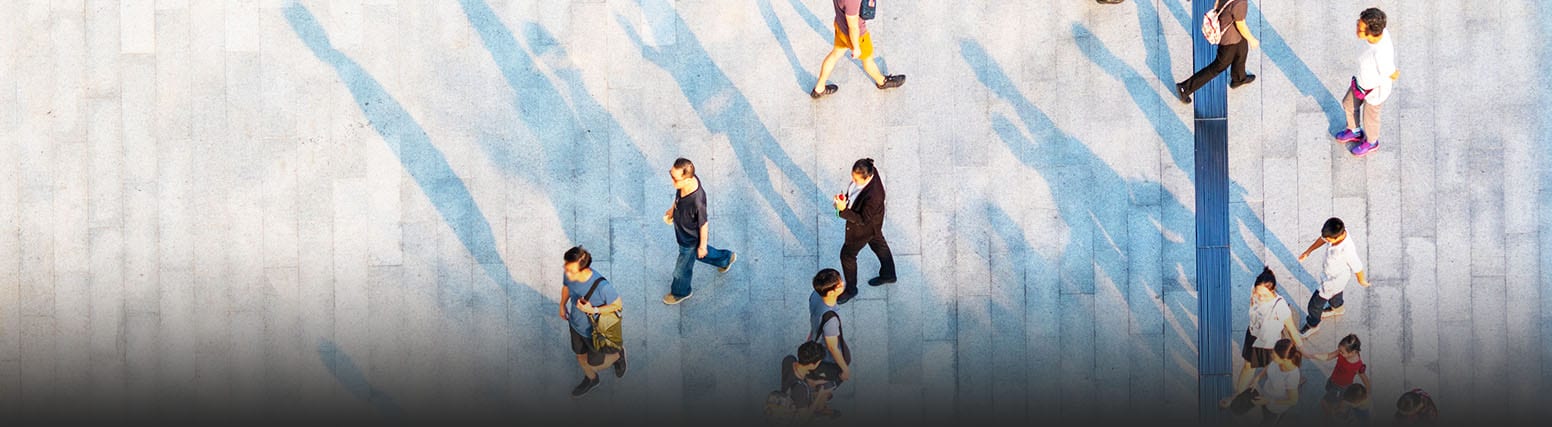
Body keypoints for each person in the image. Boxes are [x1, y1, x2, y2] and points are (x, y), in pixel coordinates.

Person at [1221, 267, 1306, 408]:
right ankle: (1237, 395)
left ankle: (1293, 382)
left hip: (1270, 343)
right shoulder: (1255, 291)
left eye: (1263, 295)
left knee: (1277, 367)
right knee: (1248, 367)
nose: (1259, 298)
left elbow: (1291, 330)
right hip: (1253, 337)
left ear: (1273, 291)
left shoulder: (1280, 306)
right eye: (1257, 293)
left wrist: (1303, 349)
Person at [662, 158, 736, 305]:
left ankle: (681, 292)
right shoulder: (684, 183)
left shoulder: (697, 201)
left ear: (688, 180)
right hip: (684, 232)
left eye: (675, 179)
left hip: (689, 240)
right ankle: (726, 258)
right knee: (700, 255)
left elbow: (703, 225)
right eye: (671, 175)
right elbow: (678, 196)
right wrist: (672, 210)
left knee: (681, 271)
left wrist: (702, 245)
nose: (672, 182)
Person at [558, 246, 625, 398]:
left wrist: (593, 310)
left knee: (596, 363)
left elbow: (617, 305)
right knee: (580, 356)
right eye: (566, 267)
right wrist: (562, 305)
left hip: (594, 332)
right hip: (576, 324)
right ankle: (592, 379)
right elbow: (566, 287)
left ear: (583, 269)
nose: (566, 272)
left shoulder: (602, 287)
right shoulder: (570, 274)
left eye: (570, 270)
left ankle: (618, 355)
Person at [810, 0, 905, 98]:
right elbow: (853, 27)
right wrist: (856, 47)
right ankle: (882, 81)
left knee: (834, 55)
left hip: (840, 27)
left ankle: (819, 88)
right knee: (868, 60)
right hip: (857, 36)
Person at [1335, 8, 1398, 157]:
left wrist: (1392, 73)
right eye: (1358, 23)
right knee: (1348, 104)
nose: (1357, 27)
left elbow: (1389, 72)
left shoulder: (1381, 53)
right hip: (1360, 82)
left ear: (1371, 32)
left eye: (1360, 27)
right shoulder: (1376, 36)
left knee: (1370, 119)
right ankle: (1354, 131)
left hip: (1375, 92)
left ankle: (1371, 142)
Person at [832, 158, 895, 304]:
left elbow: (862, 220)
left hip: (865, 228)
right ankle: (889, 274)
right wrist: (845, 200)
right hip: (874, 224)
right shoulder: (870, 170)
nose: (852, 180)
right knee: (878, 243)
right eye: (852, 176)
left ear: (867, 177)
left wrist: (843, 210)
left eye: (856, 178)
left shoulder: (875, 196)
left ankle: (851, 290)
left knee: (847, 255)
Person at [1175, 0, 1259, 104]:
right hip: (1229, 40)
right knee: (1218, 67)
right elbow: (1241, 25)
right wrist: (1252, 39)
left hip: (1234, 35)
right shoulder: (1240, 3)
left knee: (1241, 52)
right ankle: (1185, 88)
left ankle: (1239, 78)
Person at [1297, 217, 1370, 336]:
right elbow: (1322, 239)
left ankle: (1313, 324)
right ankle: (1337, 308)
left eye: (1328, 239)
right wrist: (1308, 251)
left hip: (1333, 281)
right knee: (1336, 294)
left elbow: (1357, 266)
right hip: (1334, 275)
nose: (1325, 240)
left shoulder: (1347, 250)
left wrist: (1361, 280)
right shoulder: (1340, 232)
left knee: (1314, 305)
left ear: (1337, 237)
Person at [808, 269, 853, 390]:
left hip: (815, 337)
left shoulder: (815, 295)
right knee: (830, 381)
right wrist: (845, 370)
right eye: (839, 284)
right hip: (827, 356)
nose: (843, 283)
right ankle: (820, 396)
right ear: (831, 292)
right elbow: (832, 347)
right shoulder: (831, 321)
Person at [1312, 334, 1372, 423]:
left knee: (1325, 402)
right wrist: (1314, 356)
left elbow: (1365, 380)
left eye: (1342, 352)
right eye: (1339, 350)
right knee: (1330, 393)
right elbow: (1329, 356)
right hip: (1333, 380)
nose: (1339, 353)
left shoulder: (1357, 365)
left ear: (1353, 353)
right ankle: (1336, 408)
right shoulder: (1343, 352)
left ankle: (1331, 415)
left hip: (1341, 387)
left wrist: (1366, 394)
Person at [774, 342, 840, 420]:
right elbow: (803, 419)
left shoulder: (789, 359)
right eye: (819, 362)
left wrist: (814, 383)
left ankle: (819, 405)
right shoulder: (801, 389)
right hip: (795, 411)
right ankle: (819, 410)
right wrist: (819, 395)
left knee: (826, 385)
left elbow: (796, 376)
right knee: (827, 390)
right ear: (812, 365)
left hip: (788, 393)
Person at [1257, 338, 1303, 425]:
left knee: (1268, 421)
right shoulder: (1277, 361)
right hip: (1265, 396)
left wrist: (1269, 401)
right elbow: (1269, 366)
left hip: (1274, 407)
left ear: (1284, 359)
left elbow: (1293, 400)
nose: (1271, 356)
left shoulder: (1291, 377)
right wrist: (1257, 378)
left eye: (1274, 356)